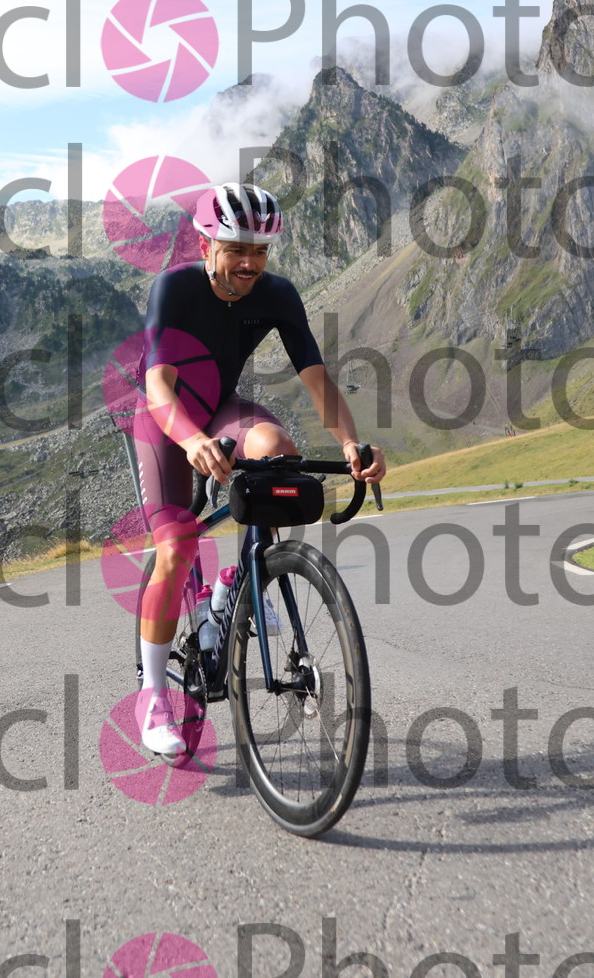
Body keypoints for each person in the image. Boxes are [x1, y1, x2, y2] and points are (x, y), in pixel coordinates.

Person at [128, 182, 386, 756]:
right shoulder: (175, 288)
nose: (249, 262)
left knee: (275, 450)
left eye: (260, 251)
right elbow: (158, 384)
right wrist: (193, 440)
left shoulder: (276, 294)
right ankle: (153, 695)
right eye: (236, 249)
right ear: (205, 245)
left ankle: (240, 581)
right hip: (164, 418)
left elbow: (316, 379)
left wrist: (352, 444)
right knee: (176, 545)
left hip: (219, 405)